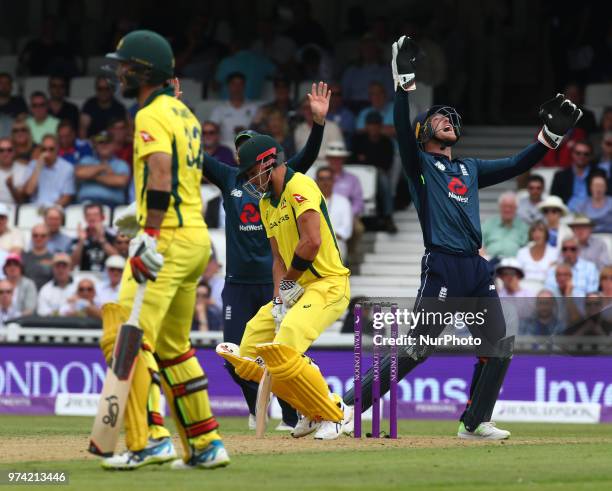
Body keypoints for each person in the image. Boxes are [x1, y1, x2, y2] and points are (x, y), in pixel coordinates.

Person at [344, 36, 583, 441]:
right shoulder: (419, 165)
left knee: (500, 345)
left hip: (476, 267)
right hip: (442, 266)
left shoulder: (470, 169)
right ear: (425, 134)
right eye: (439, 119)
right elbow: (401, 128)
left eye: (451, 120)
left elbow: (517, 163)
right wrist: (404, 83)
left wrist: (549, 138)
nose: (448, 122)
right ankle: (348, 407)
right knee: (417, 350)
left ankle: (474, 422)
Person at [101, 29, 229, 469]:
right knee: (174, 346)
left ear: (142, 71)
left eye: (124, 64)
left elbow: (160, 172)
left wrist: (148, 235)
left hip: (169, 239)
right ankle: (206, 444)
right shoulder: (185, 114)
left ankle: (149, 439)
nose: (118, 72)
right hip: (195, 238)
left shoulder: (150, 115)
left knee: (126, 337)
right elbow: (179, 181)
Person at [202, 84, 326, 430]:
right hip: (238, 285)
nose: (244, 153)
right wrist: (176, 117)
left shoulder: (280, 180)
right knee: (233, 357)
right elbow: (195, 157)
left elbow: (308, 157)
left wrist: (318, 124)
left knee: (281, 355)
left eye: (250, 147)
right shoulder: (230, 179)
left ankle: (290, 417)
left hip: (275, 281)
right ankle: (257, 408)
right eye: (240, 147)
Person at [220, 133, 351, 441]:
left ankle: (334, 410)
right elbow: (277, 258)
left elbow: (312, 242)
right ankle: (308, 408)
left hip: (328, 285)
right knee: (248, 354)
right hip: (295, 288)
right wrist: (280, 300)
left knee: (286, 343)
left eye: (253, 172)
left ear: (268, 162)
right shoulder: (266, 203)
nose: (251, 180)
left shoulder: (301, 186)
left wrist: (291, 283)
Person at [351, 111, 397, 233]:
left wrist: (366, 160)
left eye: (376, 124)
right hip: (359, 173)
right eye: (371, 124)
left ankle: (388, 217)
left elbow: (387, 164)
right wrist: (367, 162)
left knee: (384, 181)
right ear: (366, 126)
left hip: (378, 173)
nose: (373, 127)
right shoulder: (358, 139)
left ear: (381, 126)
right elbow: (352, 159)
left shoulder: (387, 142)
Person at [75, 131, 130, 207]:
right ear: (95, 145)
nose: (104, 145)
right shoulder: (86, 160)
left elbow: (120, 181)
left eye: (108, 142)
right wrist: (102, 167)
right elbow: (79, 173)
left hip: (113, 206)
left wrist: (91, 176)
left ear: (114, 145)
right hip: (85, 203)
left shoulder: (121, 163)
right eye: (101, 142)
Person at [22, 134, 75, 207]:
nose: (47, 153)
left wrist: (51, 210)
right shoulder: (33, 165)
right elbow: (29, 191)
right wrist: (38, 166)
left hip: (56, 210)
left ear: (57, 149)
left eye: (51, 149)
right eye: (44, 149)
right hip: (35, 208)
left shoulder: (67, 167)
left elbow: (66, 198)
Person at [209, 72, 258, 148]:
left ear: (244, 86)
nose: (237, 88)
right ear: (228, 86)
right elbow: (211, 131)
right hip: (225, 149)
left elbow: (259, 131)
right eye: (233, 84)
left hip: (249, 148)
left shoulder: (254, 108)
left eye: (240, 84)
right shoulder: (219, 109)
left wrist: (245, 132)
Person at [315, 167, 352, 261]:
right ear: (316, 181)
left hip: (336, 244)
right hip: (314, 244)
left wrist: (326, 237)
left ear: (333, 181)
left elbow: (346, 230)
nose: (325, 182)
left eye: (328, 179)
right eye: (322, 179)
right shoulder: (309, 201)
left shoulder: (343, 201)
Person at [294, 96, 343, 165]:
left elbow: (338, 154)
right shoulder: (298, 130)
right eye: (306, 108)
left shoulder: (333, 127)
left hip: (328, 167)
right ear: (302, 111)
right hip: (305, 168)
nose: (310, 110)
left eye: (312, 107)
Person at [71, 204, 118, 272]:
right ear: (85, 218)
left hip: (107, 277)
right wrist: (81, 242)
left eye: (95, 215)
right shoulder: (79, 237)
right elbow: (73, 264)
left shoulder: (113, 237)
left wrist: (102, 240)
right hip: (85, 277)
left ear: (103, 217)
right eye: (88, 215)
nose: (92, 218)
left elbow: (118, 259)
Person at [550, 140, 595, 210]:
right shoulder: (560, 176)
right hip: (567, 215)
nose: (581, 156)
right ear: (572, 154)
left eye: (586, 154)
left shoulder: (599, 174)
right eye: (578, 153)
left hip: (594, 214)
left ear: (591, 156)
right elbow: (554, 200)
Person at [482, 192, 528, 259]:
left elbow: (527, 250)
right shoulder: (488, 224)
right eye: (505, 206)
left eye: (511, 207)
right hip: (490, 262)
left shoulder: (523, 227)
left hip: (514, 264)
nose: (507, 209)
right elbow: (479, 245)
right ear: (500, 207)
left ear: (516, 208)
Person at [22, 224, 54, 289]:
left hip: (47, 297)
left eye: (43, 236)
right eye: (35, 235)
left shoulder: (54, 259)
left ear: (48, 237)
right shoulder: (23, 257)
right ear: (31, 237)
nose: (39, 238)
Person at [0, 137, 30, 204]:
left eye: (9, 150)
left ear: (14, 152)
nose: (5, 153)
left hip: (16, 211)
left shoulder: (24, 170)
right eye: (1, 150)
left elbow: (22, 201)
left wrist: (11, 187)